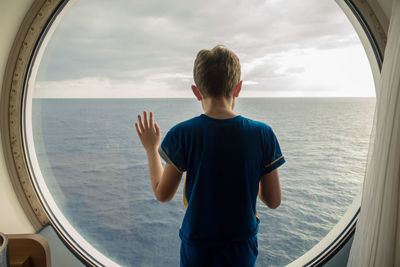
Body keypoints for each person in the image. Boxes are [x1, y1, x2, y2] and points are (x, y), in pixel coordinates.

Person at [135, 45, 285, 267]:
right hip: (241, 248)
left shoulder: (182, 134)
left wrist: (151, 148)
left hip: (198, 250)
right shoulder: (262, 133)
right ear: (238, 88)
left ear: (196, 92)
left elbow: (162, 193)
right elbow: (273, 200)